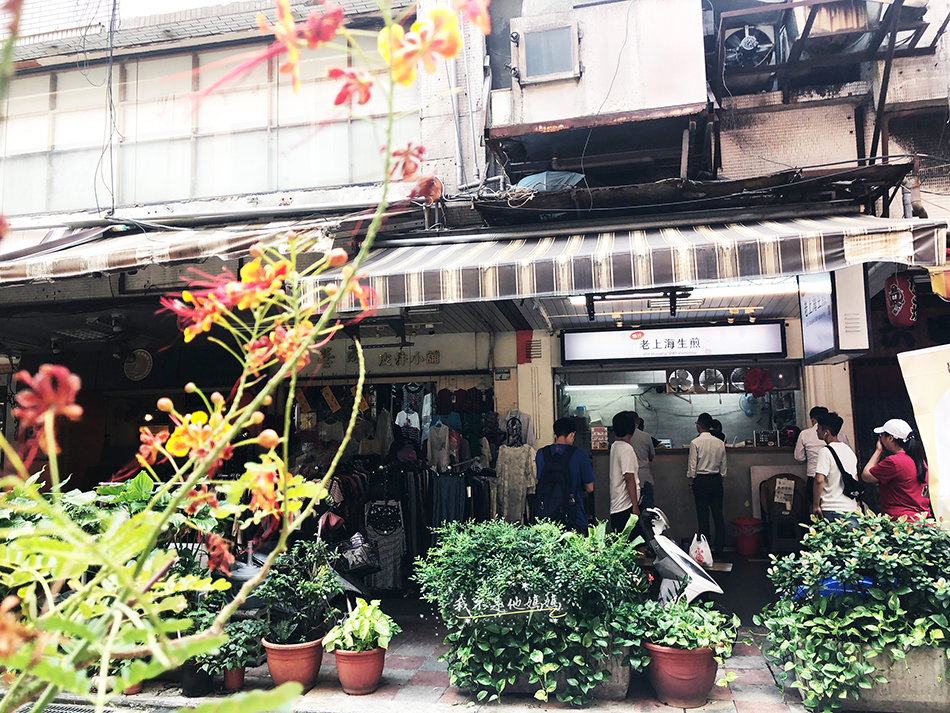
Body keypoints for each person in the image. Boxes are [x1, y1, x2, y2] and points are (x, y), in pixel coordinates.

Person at [861, 418, 931, 521]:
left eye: (881, 436)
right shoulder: (920, 461)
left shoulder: (894, 462)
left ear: (890, 438)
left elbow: (866, 476)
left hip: (901, 523)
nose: (880, 439)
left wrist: (878, 451)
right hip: (921, 520)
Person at [535, 417, 595, 533]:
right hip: (574, 517)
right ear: (572, 434)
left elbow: (539, 480)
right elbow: (590, 488)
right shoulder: (580, 454)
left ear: (554, 434)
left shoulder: (541, 453)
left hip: (546, 517)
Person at [687, 412, 727, 557]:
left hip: (701, 481)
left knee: (703, 516)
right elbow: (724, 467)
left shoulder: (695, 443)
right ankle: (720, 548)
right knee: (718, 515)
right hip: (716, 480)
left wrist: (691, 483)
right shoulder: (720, 443)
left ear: (698, 425)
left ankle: (706, 548)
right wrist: (720, 481)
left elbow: (692, 467)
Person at [795, 406, 851, 506]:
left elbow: (799, 457)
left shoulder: (804, 434)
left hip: (814, 476)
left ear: (812, 419)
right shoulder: (840, 434)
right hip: (838, 477)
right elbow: (849, 454)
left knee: (818, 511)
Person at [812, 411, 860, 521]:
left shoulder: (825, 452)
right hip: (851, 508)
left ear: (826, 432)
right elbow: (855, 478)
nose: (816, 430)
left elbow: (819, 480)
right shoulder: (849, 450)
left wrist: (815, 505)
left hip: (831, 508)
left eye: (818, 428)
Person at [609, 411, 640, 533]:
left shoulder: (615, 446)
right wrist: (635, 506)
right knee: (638, 547)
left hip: (617, 505)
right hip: (626, 506)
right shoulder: (626, 449)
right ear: (632, 429)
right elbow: (629, 478)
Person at [630, 412, 656, 511]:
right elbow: (651, 457)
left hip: (630, 477)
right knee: (648, 508)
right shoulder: (646, 436)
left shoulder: (624, 438)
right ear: (638, 421)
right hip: (645, 477)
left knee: (632, 508)